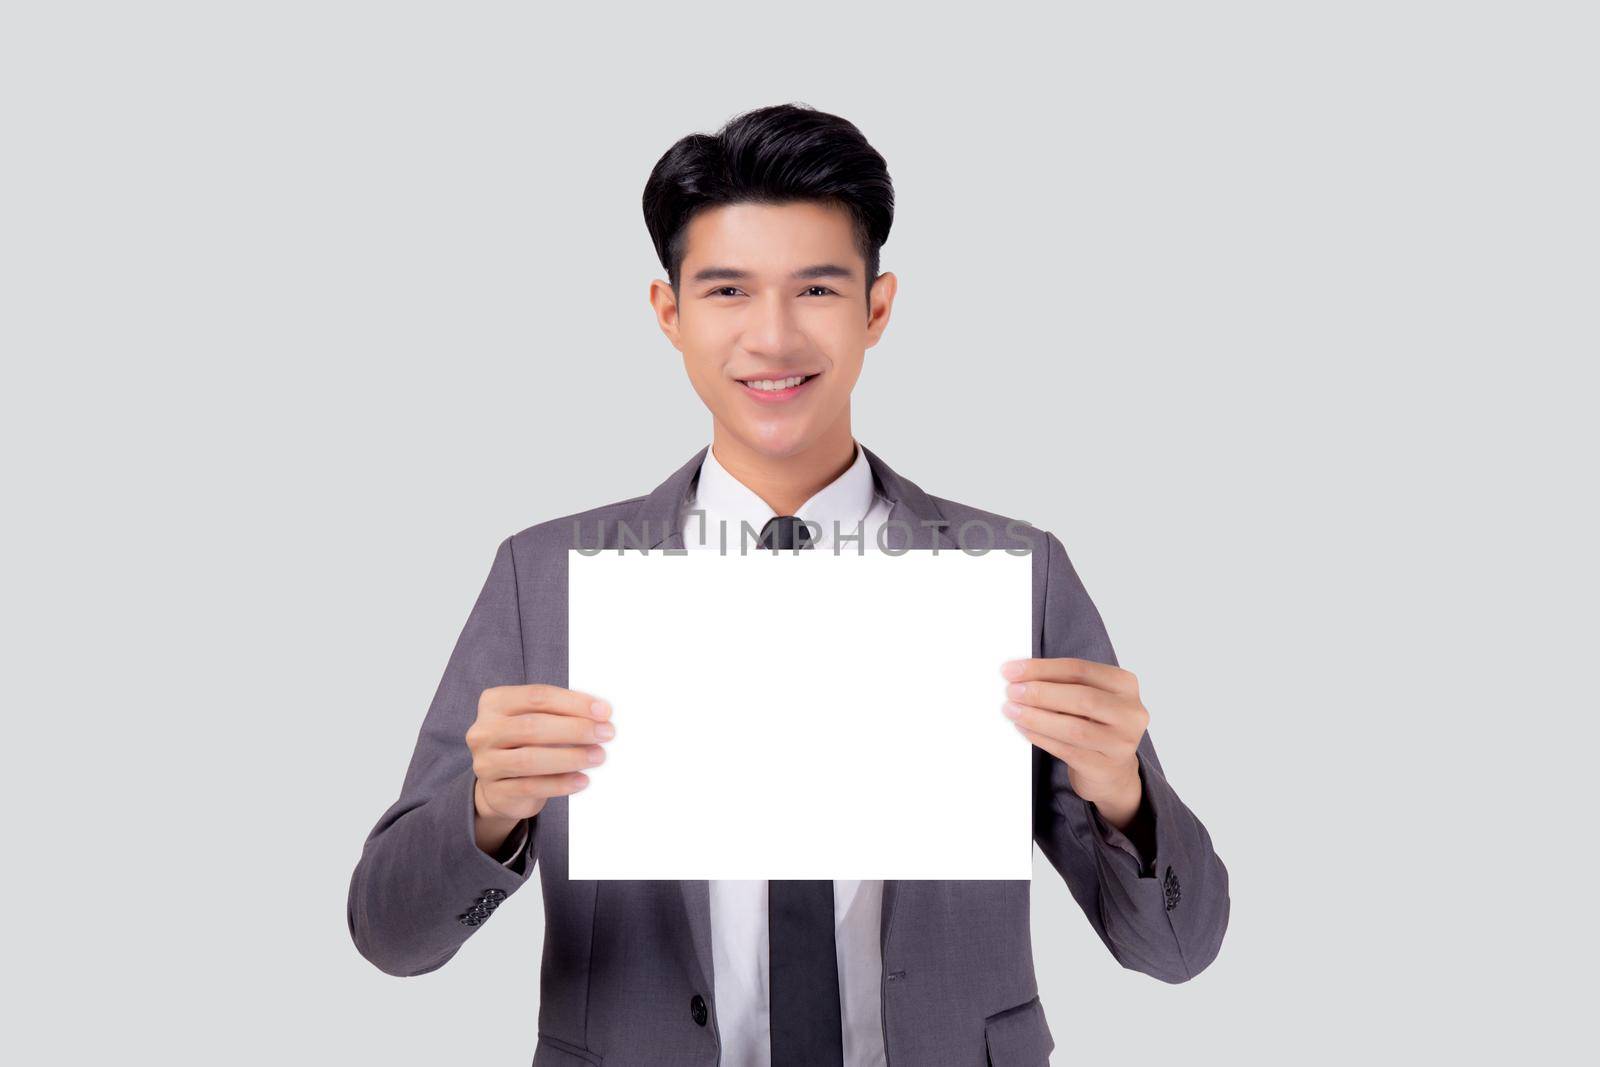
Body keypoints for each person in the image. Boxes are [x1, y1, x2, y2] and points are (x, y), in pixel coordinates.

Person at [347, 102, 1229, 1067]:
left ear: (876, 309)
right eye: (727, 291)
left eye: (816, 288)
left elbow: (1177, 950)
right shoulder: (547, 578)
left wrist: (1120, 794)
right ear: (669, 313)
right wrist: (487, 810)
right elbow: (390, 937)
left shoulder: (1012, 574)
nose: (772, 337)